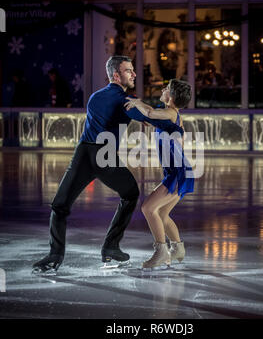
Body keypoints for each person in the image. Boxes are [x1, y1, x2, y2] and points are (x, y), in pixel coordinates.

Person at [32, 56, 183, 274]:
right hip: (105, 156)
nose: (134, 74)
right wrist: (175, 127)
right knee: (131, 194)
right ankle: (111, 247)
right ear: (116, 75)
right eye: (129, 71)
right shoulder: (125, 101)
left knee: (59, 205)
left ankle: (55, 255)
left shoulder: (94, 97)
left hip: (84, 154)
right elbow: (153, 120)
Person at [124, 79, 194, 269]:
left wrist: (138, 102)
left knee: (148, 208)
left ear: (171, 97)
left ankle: (161, 252)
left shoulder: (171, 112)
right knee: (162, 213)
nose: (162, 90)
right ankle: (178, 248)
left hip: (178, 173)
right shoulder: (170, 116)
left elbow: (150, 112)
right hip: (178, 172)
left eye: (166, 89)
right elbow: (151, 117)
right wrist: (150, 120)